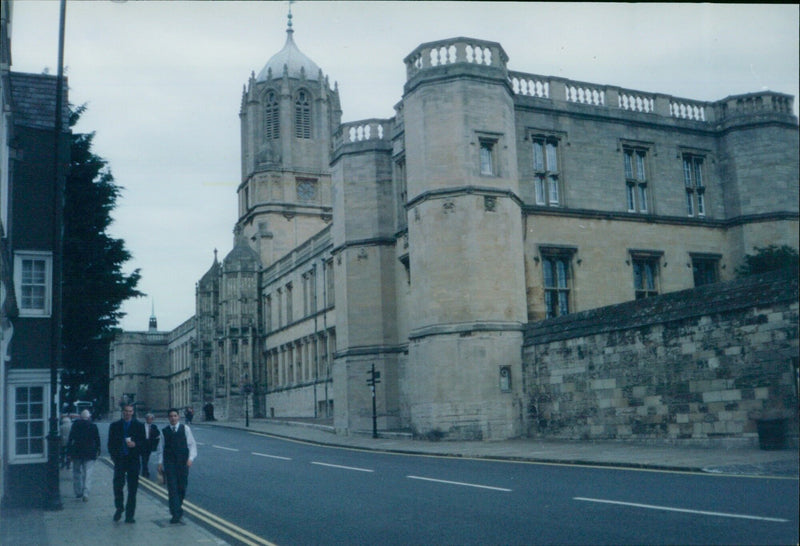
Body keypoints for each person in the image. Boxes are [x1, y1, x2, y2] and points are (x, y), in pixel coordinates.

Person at [107, 404, 146, 523]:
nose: (128, 413)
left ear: (133, 412)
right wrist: (114, 457)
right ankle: (119, 508)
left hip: (133, 460)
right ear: (122, 412)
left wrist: (135, 444)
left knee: (132, 488)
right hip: (120, 460)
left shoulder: (139, 426)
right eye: (126, 411)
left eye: (130, 411)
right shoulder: (115, 426)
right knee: (118, 486)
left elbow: (144, 443)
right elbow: (110, 443)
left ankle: (130, 515)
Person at [158, 408, 198, 524]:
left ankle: (178, 508)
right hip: (169, 463)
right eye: (171, 416)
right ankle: (175, 513)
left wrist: (190, 459)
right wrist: (160, 463)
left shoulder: (185, 429)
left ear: (178, 417)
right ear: (168, 418)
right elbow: (161, 448)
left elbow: (192, 445)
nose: (173, 418)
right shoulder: (164, 431)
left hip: (183, 463)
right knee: (172, 489)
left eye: (175, 416)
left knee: (182, 488)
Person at [67, 409, 101, 501]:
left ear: (80, 417)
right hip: (89, 453)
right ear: (89, 417)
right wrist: (98, 449)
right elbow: (97, 439)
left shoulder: (75, 425)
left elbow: (70, 438)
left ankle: (78, 492)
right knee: (88, 473)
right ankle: (86, 493)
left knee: (76, 472)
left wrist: (69, 452)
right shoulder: (93, 426)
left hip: (77, 452)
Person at [140, 413, 160, 479]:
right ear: (146, 419)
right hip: (143, 444)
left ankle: (145, 470)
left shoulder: (154, 427)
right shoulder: (141, 426)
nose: (149, 420)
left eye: (151, 419)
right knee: (144, 458)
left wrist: (155, 445)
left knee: (146, 458)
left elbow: (158, 435)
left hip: (150, 445)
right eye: (148, 418)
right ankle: (145, 471)